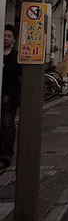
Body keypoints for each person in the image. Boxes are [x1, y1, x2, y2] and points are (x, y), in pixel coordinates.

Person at [1, 25, 21, 168]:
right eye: (4, 35)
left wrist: (4, 67)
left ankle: (7, 154)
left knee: (7, 125)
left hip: (10, 96)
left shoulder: (16, 55)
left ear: (13, 39)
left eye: (9, 36)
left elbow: (19, 72)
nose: (5, 38)